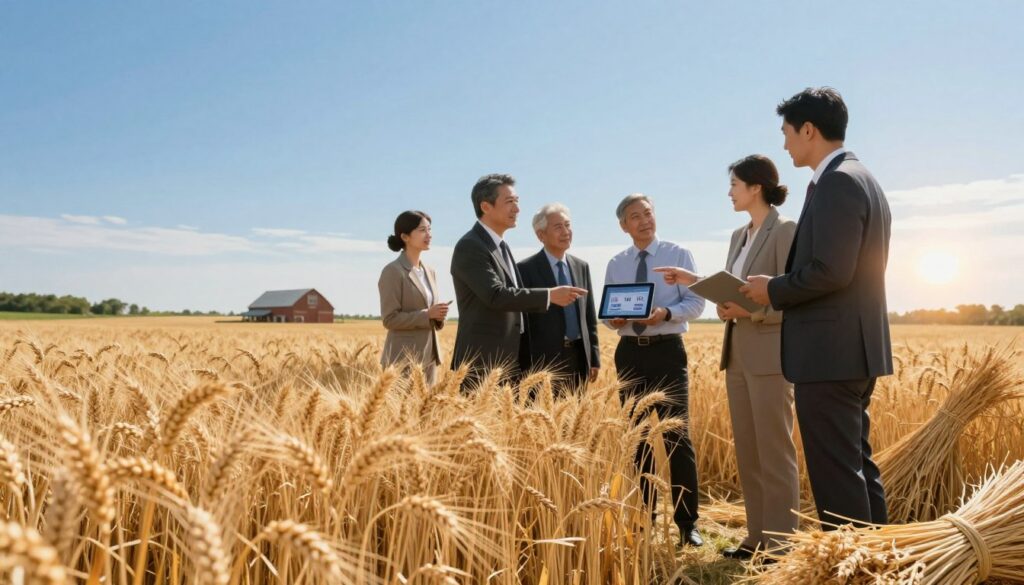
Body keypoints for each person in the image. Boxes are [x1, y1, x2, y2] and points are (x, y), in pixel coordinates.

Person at [741, 87, 893, 530]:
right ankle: (876, 562)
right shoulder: (862, 177)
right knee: (855, 466)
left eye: (787, 133)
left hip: (830, 353)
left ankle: (853, 572)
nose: (784, 144)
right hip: (852, 350)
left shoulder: (838, 181)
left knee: (836, 477)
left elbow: (831, 271)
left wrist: (774, 289)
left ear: (809, 130)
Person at [656, 155, 798, 558]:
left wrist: (750, 310)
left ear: (756, 187)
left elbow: (793, 296)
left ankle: (783, 544)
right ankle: (756, 538)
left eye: (734, 184)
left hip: (770, 355)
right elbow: (733, 287)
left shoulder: (786, 230)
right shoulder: (739, 235)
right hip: (736, 355)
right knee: (749, 451)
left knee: (775, 451)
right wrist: (698, 287)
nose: (729, 191)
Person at [603, 193, 706, 547]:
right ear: (623, 225)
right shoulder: (616, 262)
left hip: (667, 353)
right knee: (638, 441)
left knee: (678, 439)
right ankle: (643, 520)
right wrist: (613, 320)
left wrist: (666, 314)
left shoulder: (678, 254)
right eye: (635, 216)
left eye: (648, 213)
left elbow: (696, 302)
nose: (644, 220)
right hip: (630, 353)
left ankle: (687, 524)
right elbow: (608, 311)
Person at [450, 173, 587, 388]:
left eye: (517, 202)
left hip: (512, 361)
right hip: (484, 361)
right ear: (485, 206)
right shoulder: (471, 246)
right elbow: (495, 295)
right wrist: (550, 295)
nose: (517, 209)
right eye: (510, 202)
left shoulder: (502, 247)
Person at [517, 203, 600, 391]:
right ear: (541, 235)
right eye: (558, 227)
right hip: (543, 363)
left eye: (568, 225)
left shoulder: (581, 267)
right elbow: (521, 319)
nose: (566, 232)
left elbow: (589, 316)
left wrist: (593, 357)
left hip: (578, 357)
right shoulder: (524, 269)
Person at [378, 210, 449, 386]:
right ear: (405, 236)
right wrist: (427, 314)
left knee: (425, 413)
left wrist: (439, 316)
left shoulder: (430, 271)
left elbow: (431, 315)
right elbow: (390, 319)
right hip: (402, 360)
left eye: (430, 229)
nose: (429, 235)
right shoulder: (392, 271)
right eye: (422, 230)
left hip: (429, 358)